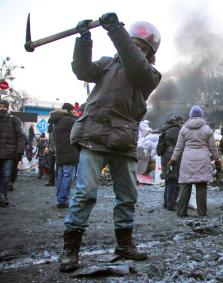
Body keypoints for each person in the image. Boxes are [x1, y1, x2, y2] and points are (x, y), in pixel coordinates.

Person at [59, 13, 162, 273]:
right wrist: (84, 39)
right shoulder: (106, 64)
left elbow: (134, 62)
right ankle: (70, 250)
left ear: (148, 54)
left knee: (127, 196)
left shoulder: (149, 74)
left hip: (123, 140)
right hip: (93, 136)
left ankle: (124, 246)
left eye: (141, 48)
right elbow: (81, 70)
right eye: (133, 44)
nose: (135, 50)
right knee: (85, 193)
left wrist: (117, 31)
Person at [169, 106, 221, 217]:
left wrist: (173, 160)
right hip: (203, 160)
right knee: (201, 186)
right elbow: (213, 148)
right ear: (202, 115)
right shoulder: (207, 129)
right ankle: (202, 212)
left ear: (190, 116)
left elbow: (178, 147)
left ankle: (181, 212)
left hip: (187, 160)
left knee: (185, 186)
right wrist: (217, 161)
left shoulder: (184, 129)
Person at [49, 103, 80, 208]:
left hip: (61, 152)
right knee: (67, 176)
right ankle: (63, 199)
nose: (75, 112)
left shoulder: (58, 121)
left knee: (61, 176)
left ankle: (60, 198)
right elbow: (80, 128)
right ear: (70, 110)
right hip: (70, 151)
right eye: (74, 110)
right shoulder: (69, 120)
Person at [0, 99, 25, 207]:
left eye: (4, 106)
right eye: (0, 106)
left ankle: (2, 195)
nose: (2, 108)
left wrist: (19, 151)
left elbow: (20, 136)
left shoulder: (14, 120)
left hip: (9, 154)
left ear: (7, 107)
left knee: (6, 175)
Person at [156, 114, 183, 211]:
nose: (182, 123)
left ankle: (166, 203)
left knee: (168, 179)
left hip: (165, 156)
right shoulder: (176, 130)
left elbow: (160, 149)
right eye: (181, 122)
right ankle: (171, 204)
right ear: (176, 122)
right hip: (174, 157)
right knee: (174, 180)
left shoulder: (165, 129)